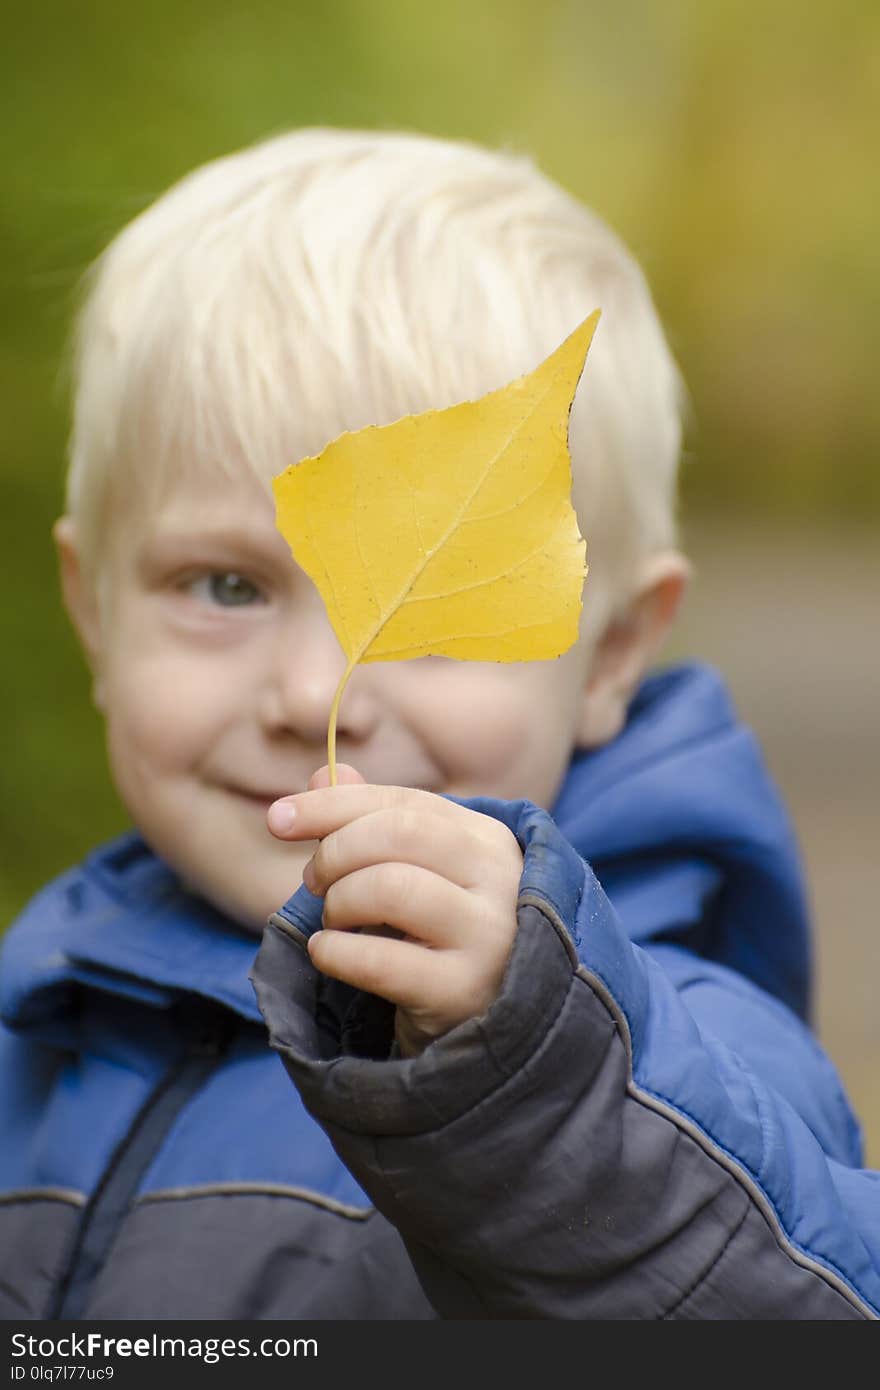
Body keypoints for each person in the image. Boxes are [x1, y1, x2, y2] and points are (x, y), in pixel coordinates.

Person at [1, 127, 877, 1322]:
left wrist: (525, 1075)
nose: (314, 694)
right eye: (224, 586)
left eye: (431, 625)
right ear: (93, 614)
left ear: (615, 650)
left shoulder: (678, 1060)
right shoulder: (41, 1015)